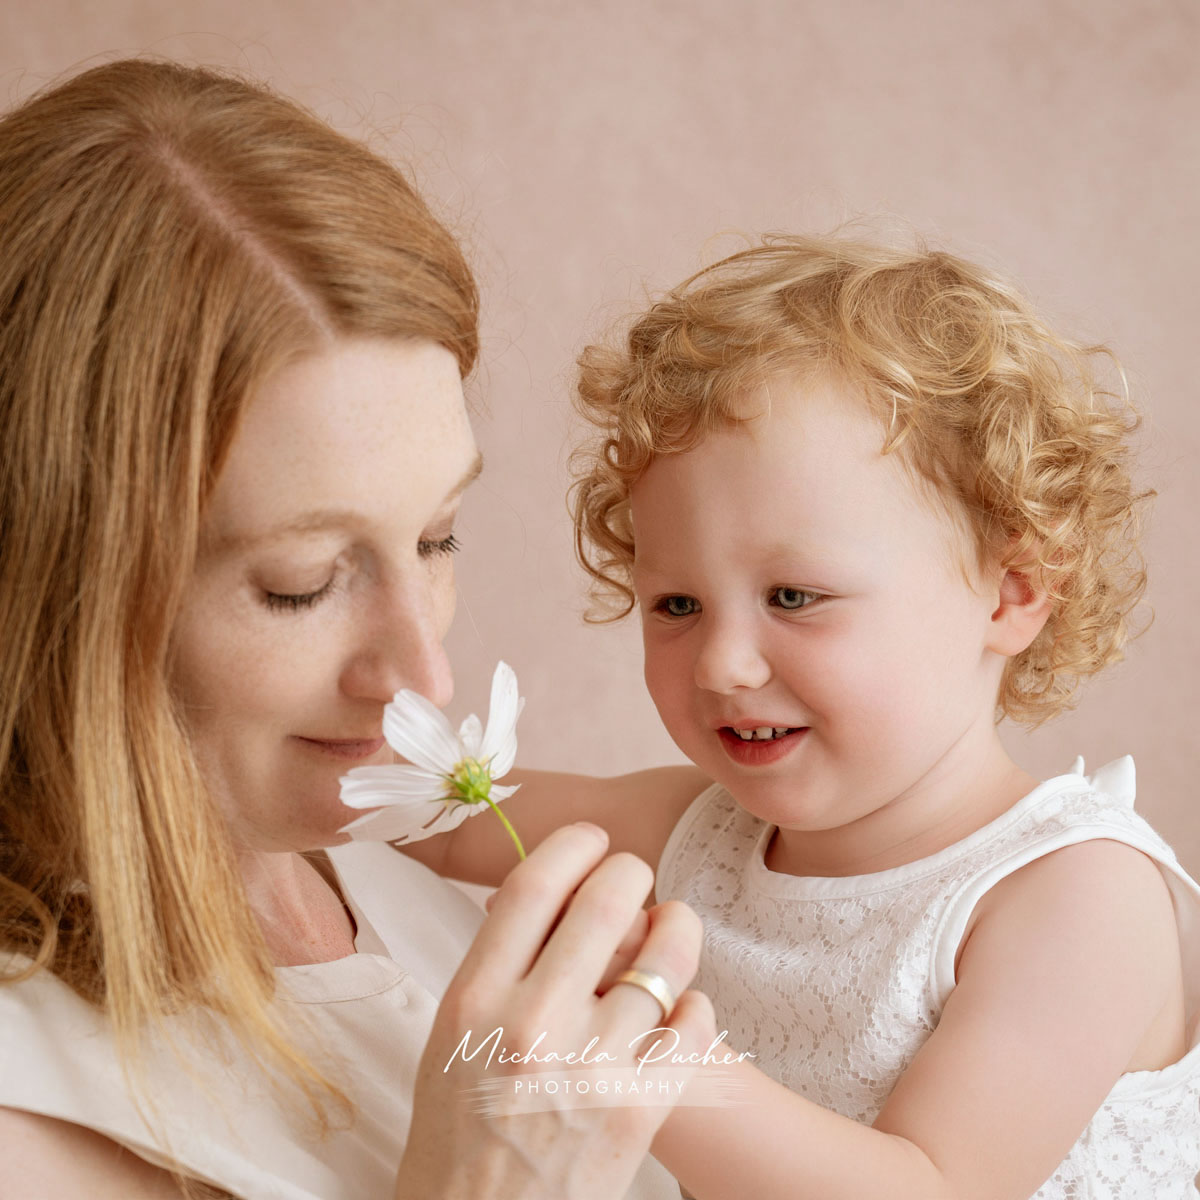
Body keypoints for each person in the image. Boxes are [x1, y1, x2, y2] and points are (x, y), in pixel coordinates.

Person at [0, 58, 718, 1200]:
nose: (423, 675)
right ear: (45, 592)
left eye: (437, 539)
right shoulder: (31, 1115)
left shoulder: (395, 873)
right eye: (300, 581)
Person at [407, 235, 1200, 1197]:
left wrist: (647, 1055)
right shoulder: (692, 835)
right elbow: (441, 824)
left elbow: (932, 1187)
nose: (723, 663)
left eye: (794, 597)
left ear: (1010, 594)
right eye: (676, 605)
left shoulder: (1074, 895)